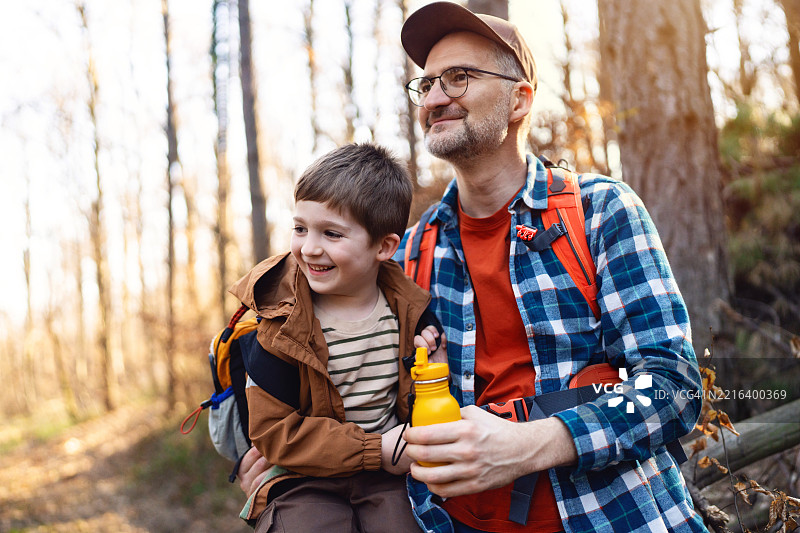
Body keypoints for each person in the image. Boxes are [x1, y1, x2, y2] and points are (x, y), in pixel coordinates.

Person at [239, 3, 707, 532]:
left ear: (518, 99)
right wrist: (276, 463)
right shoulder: (408, 253)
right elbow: (339, 377)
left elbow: (674, 386)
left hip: (612, 517)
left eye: (459, 77)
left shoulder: (600, 212)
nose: (435, 97)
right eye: (427, 84)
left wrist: (533, 444)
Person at [228, 143, 445, 532]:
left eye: (331, 233)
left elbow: (420, 402)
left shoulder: (409, 312)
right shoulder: (280, 326)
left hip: (388, 475)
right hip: (303, 478)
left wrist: (433, 368)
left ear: (384, 246)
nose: (309, 248)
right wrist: (374, 449)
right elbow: (274, 431)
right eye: (300, 228)